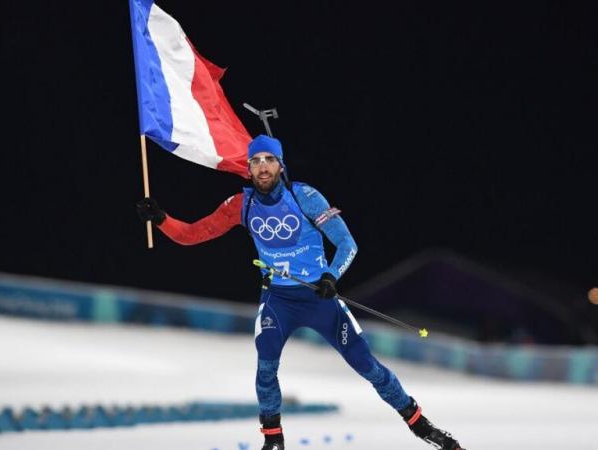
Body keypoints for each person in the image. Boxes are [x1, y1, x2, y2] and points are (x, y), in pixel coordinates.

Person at [136, 135, 465, 450]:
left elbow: (347, 243)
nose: (262, 167)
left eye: (269, 160)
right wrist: (162, 219)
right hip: (279, 301)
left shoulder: (305, 197)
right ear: (247, 168)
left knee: (368, 366)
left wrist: (331, 276)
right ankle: (273, 440)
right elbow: (194, 234)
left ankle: (421, 424)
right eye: (256, 161)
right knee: (265, 366)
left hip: (319, 300)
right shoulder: (241, 204)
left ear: (280, 165)